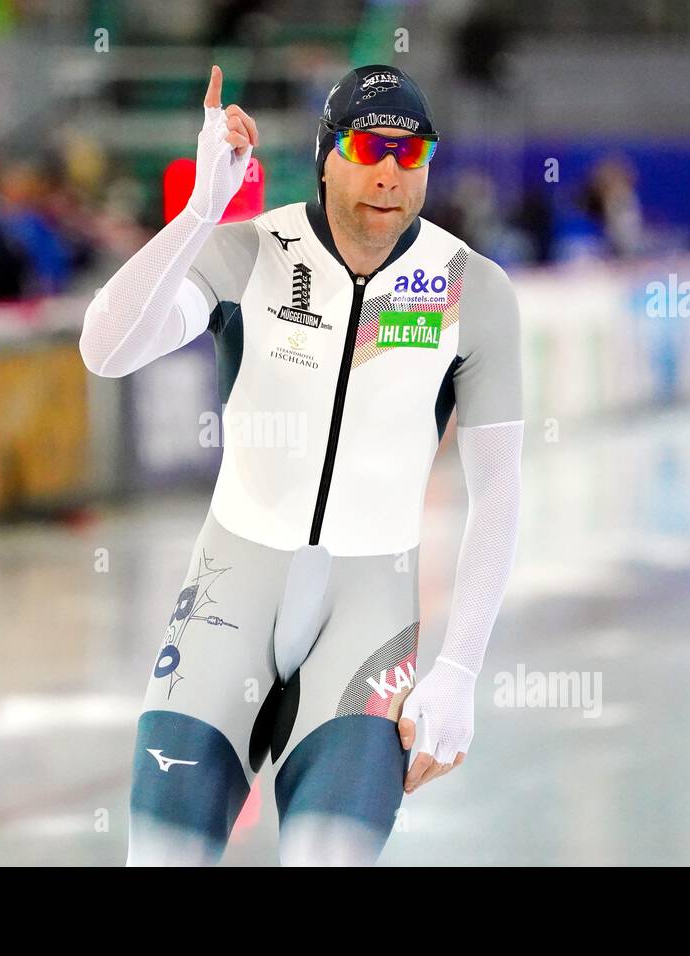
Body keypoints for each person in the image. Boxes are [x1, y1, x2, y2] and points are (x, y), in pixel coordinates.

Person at [81, 64, 523, 865]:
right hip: (230, 599)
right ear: (326, 155)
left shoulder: (472, 288)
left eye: (412, 154)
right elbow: (104, 349)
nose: (390, 174)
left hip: (369, 618)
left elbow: (498, 491)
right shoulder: (248, 250)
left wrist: (459, 668)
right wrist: (197, 214)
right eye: (367, 147)